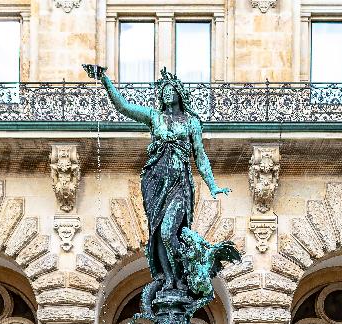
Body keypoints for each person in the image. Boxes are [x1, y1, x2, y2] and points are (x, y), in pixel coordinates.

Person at [84, 64, 231, 297]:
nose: (167, 92)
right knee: (157, 234)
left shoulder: (191, 122)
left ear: (179, 93)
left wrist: (213, 186)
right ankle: (169, 280)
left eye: (171, 89)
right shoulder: (154, 117)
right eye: (163, 90)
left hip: (180, 183)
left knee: (168, 232)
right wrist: (105, 80)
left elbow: (200, 156)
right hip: (155, 179)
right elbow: (123, 106)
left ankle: (183, 273)